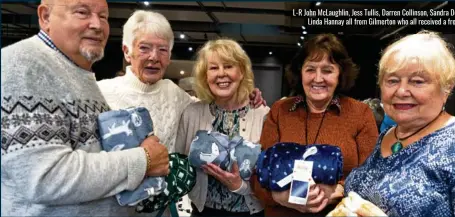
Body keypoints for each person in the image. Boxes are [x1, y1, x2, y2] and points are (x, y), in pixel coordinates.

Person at [1, 0, 170, 216]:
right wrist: (143, 159)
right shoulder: (22, 65)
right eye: (82, 12)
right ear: (45, 17)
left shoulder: (77, 73)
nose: (97, 25)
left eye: (103, 16)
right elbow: (45, 177)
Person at [97, 10, 265, 215]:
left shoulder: (176, 96)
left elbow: (217, 103)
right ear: (126, 51)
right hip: (112, 210)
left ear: (169, 56)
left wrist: (250, 95)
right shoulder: (101, 93)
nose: (154, 57)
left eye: (162, 49)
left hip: (163, 211)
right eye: (144, 48)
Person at [344, 31, 455, 217]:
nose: (402, 90)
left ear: (447, 87)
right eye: (393, 80)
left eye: (417, 81)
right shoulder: (390, 134)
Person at [254, 33, 379, 216]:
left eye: (327, 70)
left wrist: (336, 191)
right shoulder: (280, 110)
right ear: (300, 72)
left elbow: (371, 176)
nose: (318, 78)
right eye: (310, 69)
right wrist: (279, 196)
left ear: (340, 74)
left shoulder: (360, 114)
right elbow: (259, 173)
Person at [175, 39, 270, 217]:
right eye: (213, 68)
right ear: (205, 76)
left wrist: (240, 186)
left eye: (228, 66)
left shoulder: (263, 115)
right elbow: (180, 161)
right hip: (203, 211)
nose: (221, 74)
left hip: (250, 212)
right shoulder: (191, 113)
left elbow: (269, 177)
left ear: (241, 72)